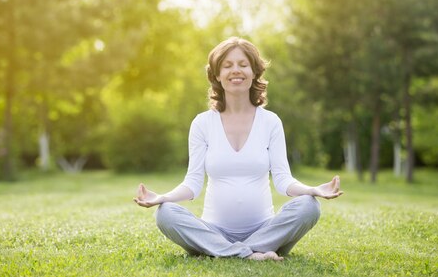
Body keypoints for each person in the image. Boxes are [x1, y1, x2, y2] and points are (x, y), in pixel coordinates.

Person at [133, 37, 343, 261]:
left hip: (264, 231)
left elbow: (283, 180)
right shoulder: (202, 123)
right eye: (227, 65)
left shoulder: (270, 122)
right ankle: (248, 253)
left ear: (254, 73)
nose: (236, 71)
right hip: (214, 231)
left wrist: (313, 190)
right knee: (165, 213)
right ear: (216, 75)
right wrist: (162, 197)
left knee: (309, 207)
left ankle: (227, 250)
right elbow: (192, 184)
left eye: (243, 65)